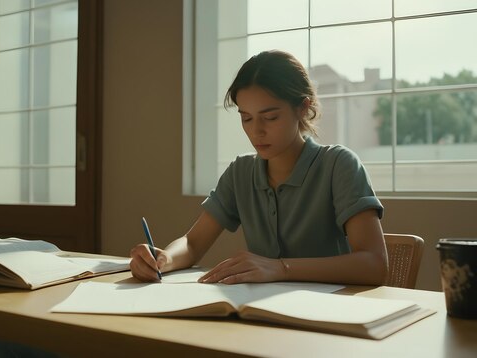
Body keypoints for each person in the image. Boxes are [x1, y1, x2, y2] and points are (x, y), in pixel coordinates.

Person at [130, 50, 388, 286]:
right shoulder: (240, 172)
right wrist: (164, 259)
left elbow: (374, 265)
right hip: (260, 313)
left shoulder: (339, 165)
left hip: (328, 316)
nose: (256, 131)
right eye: (246, 118)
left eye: (270, 117)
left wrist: (281, 268)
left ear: (303, 108)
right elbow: (192, 243)